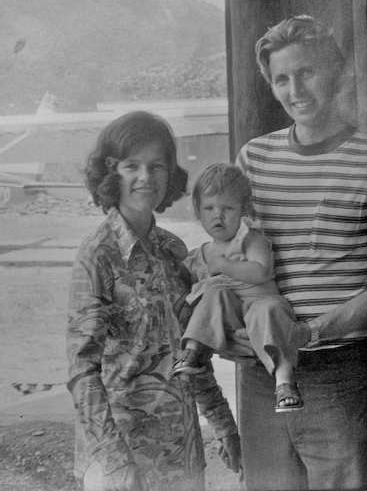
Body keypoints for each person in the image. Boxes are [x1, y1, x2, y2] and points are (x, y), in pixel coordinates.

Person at [66, 111, 241, 491]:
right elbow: (82, 371)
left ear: (169, 175)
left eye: (157, 165)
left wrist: (223, 424)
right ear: (112, 175)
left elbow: (192, 352)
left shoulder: (175, 252)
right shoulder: (97, 256)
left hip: (182, 453)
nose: (146, 177)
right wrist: (115, 465)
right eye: (132, 166)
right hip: (123, 458)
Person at [233, 15, 367, 490]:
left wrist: (310, 332)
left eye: (306, 72)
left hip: (339, 372)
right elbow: (235, 256)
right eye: (282, 79)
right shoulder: (253, 159)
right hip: (260, 374)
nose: (296, 90)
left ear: (336, 70)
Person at [171, 163, 303, 413]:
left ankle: (285, 381)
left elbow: (262, 271)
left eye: (228, 208)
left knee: (271, 311)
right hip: (232, 318)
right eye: (209, 208)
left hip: (258, 304)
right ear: (198, 212)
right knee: (212, 293)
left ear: (244, 210)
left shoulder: (249, 238)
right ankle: (193, 352)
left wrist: (224, 265)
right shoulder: (201, 254)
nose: (218, 215)